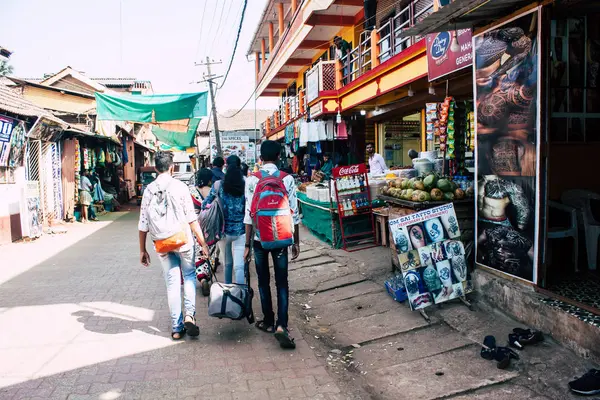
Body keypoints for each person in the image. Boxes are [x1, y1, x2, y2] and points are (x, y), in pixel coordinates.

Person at [138, 151, 209, 340]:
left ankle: (177, 328)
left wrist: (142, 250)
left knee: (172, 283)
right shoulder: (180, 187)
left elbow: (143, 223)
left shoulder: (148, 190)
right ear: (172, 168)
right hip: (183, 240)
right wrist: (203, 243)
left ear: (155, 168)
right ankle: (189, 315)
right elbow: (192, 219)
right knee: (189, 276)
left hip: (162, 242)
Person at [244, 140, 300, 349]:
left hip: (260, 239)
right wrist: (296, 242)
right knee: (282, 282)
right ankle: (281, 325)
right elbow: (294, 213)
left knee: (263, 281)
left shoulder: (252, 180)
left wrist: (248, 245)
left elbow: (249, 215)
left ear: (261, 157)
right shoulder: (287, 179)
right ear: (278, 157)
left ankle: (268, 321)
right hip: (282, 238)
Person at [203, 155, 246, 285]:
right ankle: (241, 296)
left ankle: (228, 293)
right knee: (239, 266)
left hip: (222, 231)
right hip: (241, 231)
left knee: (227, 264)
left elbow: (205, 204)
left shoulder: (218, 185)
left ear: (226, 167)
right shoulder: (246, 183)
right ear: (240, 167)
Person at [190, 168, 215, 294]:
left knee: (198, 254)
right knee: (210, 253)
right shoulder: (212, 192)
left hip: (195, 227)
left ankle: (202, 278)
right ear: (210, 179)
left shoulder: (192, 191)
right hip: (210, 228)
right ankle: (208, 274)